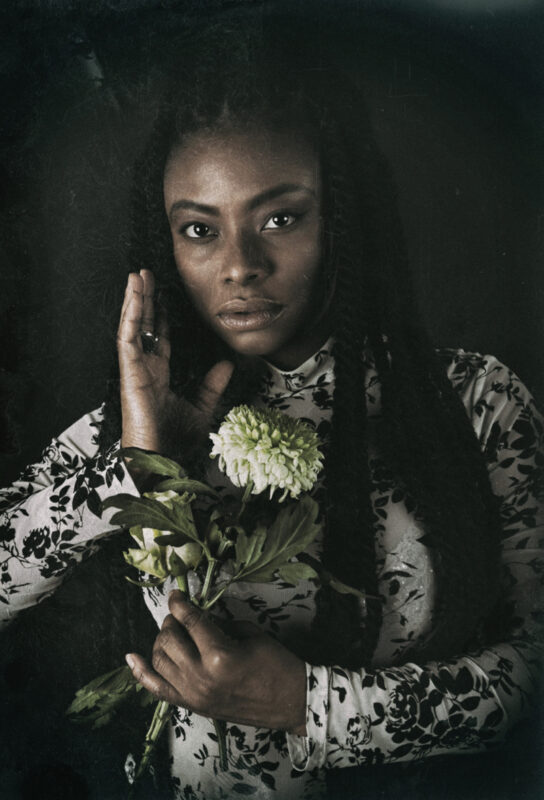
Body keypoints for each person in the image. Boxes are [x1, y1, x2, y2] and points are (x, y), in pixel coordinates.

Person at [1, 18, 542, 800]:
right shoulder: (150, 416)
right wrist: (134, 468)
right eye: (199, 229)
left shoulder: (474, 402)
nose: (240, 266)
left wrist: (306, 706)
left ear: (342, 216)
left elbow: (534, 674)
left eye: (280, 218)